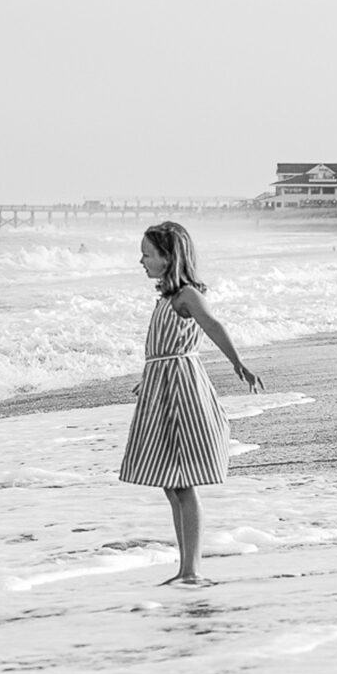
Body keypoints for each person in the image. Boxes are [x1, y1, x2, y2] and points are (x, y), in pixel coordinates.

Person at [119, 222, 262, 585]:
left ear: (169, 257)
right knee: (170, 481)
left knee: (181, 480)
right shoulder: (166, 298)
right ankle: (186, 568)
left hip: (182, 392)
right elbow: (164, 349)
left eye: (147, 254)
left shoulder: (187, 296)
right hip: (163, 387)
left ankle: (191, 570)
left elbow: (213, 326)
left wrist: (238, 364)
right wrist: (149, 378)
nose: (141, 261)